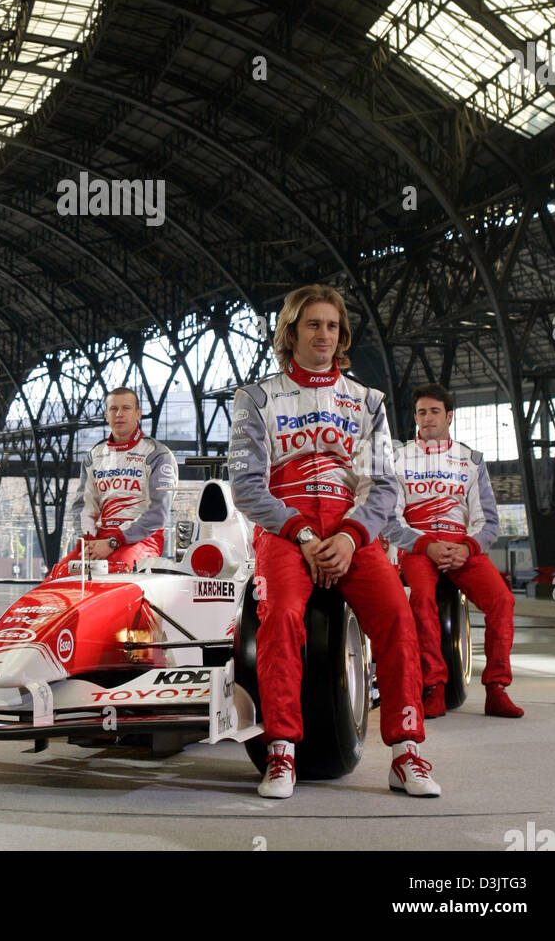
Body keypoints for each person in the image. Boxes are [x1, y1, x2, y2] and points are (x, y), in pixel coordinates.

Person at [228, 284, 440, 799]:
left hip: (352, 530)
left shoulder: (367, 401)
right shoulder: (255, 397)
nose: (324, 335)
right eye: (312, 325)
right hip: (285, 530)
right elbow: (247, 485)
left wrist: (349, 535)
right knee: (278, 616)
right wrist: (301, 532)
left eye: (331, 326)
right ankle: (281, 752)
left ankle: (407, 751)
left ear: (341, 335)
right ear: (291, 332)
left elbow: (384, 484)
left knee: (396, 613)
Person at [385, 384, 522, 719]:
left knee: (503, 601)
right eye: (421, 412)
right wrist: (425, 545)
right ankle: (434, 686)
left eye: (434, 411)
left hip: (463, 546)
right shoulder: (397, 458)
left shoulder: (471, 460)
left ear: (449, 415)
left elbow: (487, 520)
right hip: (419, 547)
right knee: (420, 600)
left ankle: (496, 688)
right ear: (415, 417)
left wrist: (467, 548)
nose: (427, 418)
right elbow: (389, 518)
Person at [48, 387, 178, 578]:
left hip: (141, 541)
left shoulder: (158, 454)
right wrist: (90, 540)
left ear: (138, 414)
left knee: (116, 572)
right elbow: (82, 507)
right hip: (96, 543)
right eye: (113, 409)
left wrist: (113, 542)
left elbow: (158, 513)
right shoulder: (95, 456)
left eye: (126, 408)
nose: (119, 414)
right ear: (107, 416)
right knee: (59, 574)